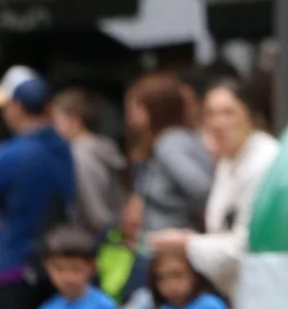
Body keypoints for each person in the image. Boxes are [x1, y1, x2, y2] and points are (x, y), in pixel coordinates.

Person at [147, 77, 280, 301]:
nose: (217, 123)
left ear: (250, 115)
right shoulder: (228, 160)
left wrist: (186, 244)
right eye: (210, 114)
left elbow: (245, 247)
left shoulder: (264, 160)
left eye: (228, 112)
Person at [0, 66, 76, 309]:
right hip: (58, 265)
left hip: (14, 269)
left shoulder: (10, 155)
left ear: (16, 107)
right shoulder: (63, 148)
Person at [125, 74, 213, 234]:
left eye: (135, 106)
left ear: (153, 108)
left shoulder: (170, 144)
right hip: (160, 237)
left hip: (173, 238)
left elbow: (202, 189)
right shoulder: (160, 143)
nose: (129, 113)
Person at [52, 88, 128, 235]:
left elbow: (95, 215)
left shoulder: (80, 157)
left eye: (56, 121)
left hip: (99, 239)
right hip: (118, 231)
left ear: (74, 121)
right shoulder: (104, 147)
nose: (53, 128)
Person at [37, 225, 117, 309]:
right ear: (47, 267)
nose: (68, 277)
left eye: (76, 269)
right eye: (59, 269)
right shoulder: (48, 307)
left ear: (92, 267)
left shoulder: (104, 305)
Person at [146, 251, 226, 309]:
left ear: (194, 275)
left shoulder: (209, 305)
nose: (171, 285)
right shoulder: (162, 307)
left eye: (177, 275)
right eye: (161, 278)